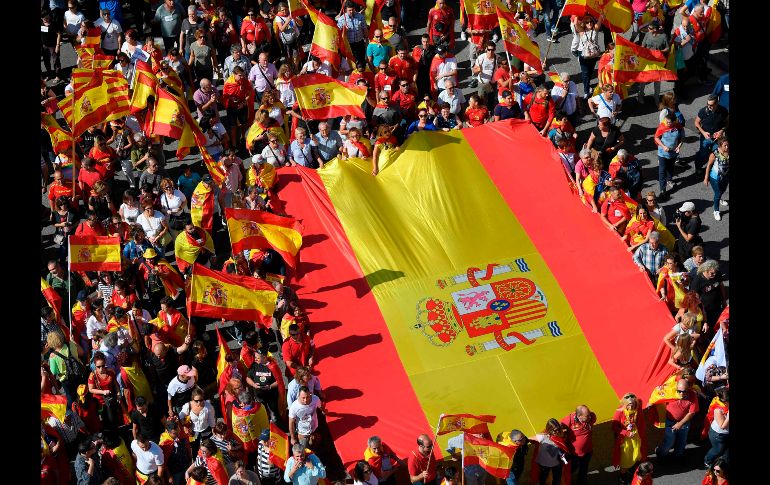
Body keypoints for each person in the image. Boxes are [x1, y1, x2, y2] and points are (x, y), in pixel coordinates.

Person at [655, 378, 699, 460]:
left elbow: (691, 412)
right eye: (679, 391)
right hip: (670, 422)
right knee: (669, 442)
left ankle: (677, 456)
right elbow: (656, 395)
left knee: (682, 441)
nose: (682, 394)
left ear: (688, 389)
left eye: (684, 391)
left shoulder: (692, 395)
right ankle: (661, 455)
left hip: (684, 422)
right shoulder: (669, 392)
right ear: (676, 388)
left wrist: (680, 424)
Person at [611, 393, 646, 485]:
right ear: (625, 404)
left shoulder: (637, 410)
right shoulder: (619, 412)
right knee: (625, 460)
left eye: (633, 404)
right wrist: (626, 432)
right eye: (629, 404)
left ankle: (631, 474)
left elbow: (640, 422)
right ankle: (622, 478)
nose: (631, 406)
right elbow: (614, 427)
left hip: (635, 438)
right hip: (624, 440)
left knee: (635, 456)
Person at [561, 405, 596, 485]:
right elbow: (558, 428)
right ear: (579, 416)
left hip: (587, 451)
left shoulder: (592, 417)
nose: (590, 417)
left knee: (583, 470)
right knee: (572, 469)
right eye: (587, 416)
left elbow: (592, 418)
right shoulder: (569, 420)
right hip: (573, 454)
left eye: (589, 414)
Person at [694, 95, 728, 174]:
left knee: (717, 154)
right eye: (708, 104)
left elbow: (727, 122)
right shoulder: (703, 111)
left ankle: (712, 169)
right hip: (705, 138)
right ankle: (698, 167)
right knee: (703, 154)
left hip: (718, 139)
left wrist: (721, 131)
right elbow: (696, 122)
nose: (709, 106)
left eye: (711, 105)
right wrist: (703, 132)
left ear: (717, 103)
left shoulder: (723, 111)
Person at [690, 259, 728, 332]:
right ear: (706, 270)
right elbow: (694, 296)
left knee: (719, 324)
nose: (714, 274)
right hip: (706, 309)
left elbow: (721, 286)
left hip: (717, 305)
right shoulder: (697, 280)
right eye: (712, 273)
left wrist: (724, 300)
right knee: (708, 327)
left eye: (715, 272)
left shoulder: (717, 274)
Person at [571, 15, 604, 98]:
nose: (589, 23)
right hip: (583, 55)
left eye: (591, 21)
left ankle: (587, 84)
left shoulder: (595, 29)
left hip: (594, 54)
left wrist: (601, 14)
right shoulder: (581, 30)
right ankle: (586, 91)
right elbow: (575, 23)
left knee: (590, 71)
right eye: (587, 22)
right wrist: (576, 14)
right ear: (584, 23)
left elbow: (600, 19)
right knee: (585, 73)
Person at [654, 112, 685, 198]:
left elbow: (682, 138)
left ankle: (669, 180)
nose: (667, 123)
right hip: (662, 153)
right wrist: (663, 146)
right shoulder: (662, 127)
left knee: (671, 167)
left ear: (674, 122)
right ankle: (662, 189)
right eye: (666, 121)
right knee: (662, 170)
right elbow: (656, 137)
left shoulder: (679, 127)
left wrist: (679, 146)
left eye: (669, 122)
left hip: (673, 152)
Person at [529, 419, 570, 485]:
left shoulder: (560, 434)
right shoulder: (542, 437)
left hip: (557, 464)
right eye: (554, 430)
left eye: (558, 429)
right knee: (542, 480)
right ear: (549, 429)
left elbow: (562, 446)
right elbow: (528, 439)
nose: (556, 431)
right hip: (544, 465)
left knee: (557, 481)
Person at [179, 386, 216, 457]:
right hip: (193, 432)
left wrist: (213, 430)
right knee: (194, 449)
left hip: (206, 430)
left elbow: (211, 420)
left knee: (207, 449)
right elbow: (180, 416)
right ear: (192, 399)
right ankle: (196, 461)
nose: (199, 402)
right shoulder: (188, 406)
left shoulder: (208, 407)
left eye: (201, 400)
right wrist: (184, 426)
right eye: (196, 401)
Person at [703, 136, 729, 221]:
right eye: (725, 145)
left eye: (728, 145)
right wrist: (706, 178)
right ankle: (716, 211)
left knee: (723, 190)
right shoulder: (714, 154)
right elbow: (708, 166)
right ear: (720, 146)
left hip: (725, 176)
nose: (727, 147)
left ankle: (720, 199)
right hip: (715, 177)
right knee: (717, 193)